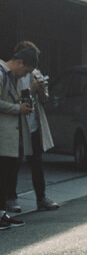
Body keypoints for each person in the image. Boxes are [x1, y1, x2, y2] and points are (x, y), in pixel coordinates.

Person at [13, 40, 57, 212]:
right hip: (18, 124)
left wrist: (41, 89)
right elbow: (15, 99)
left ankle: (42, 197)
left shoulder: (35, 73)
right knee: (14, 163)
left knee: (37, 162)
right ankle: (11, 198)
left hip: (33, 123)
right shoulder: (13, 75)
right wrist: (31, 89)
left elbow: (45, 99)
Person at [0, 45, 39, 229]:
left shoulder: (11, 76)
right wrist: (18, 109)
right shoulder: (1, 73)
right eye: (26, 71)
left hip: (10, 136)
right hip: (3, 135)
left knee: (6, 176)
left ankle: (2, 214)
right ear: (20, 62)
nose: (25, 76)